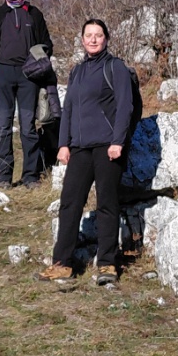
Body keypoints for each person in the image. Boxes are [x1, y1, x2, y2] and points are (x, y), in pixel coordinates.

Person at [39, 19, 137, 286]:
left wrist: (118, 141)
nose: (93, 40)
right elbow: (68, 108)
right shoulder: (77, 71)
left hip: (108, 148)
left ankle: (107, 264)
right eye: (89, 35)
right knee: (69, 203)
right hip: (80, 148)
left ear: (106, 39)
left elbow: (125, 106)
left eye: (98, 35)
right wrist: (63, 144)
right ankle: (62, 264)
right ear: (82, 40)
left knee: (107, 204)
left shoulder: (115, 67)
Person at [0, 0, 54, 187]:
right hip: (2, 75)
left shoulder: (34, 14)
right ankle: (3, 177)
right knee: (3, 126)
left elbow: (47, 45)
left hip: (28, 76)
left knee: (28, 127)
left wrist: (37, 64)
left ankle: (31, 176)